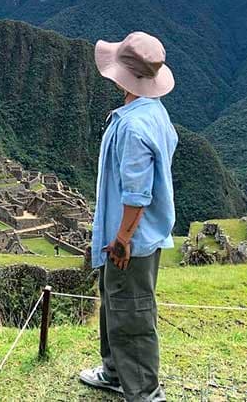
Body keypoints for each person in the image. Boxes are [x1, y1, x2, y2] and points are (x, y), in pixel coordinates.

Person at [79, 32, 178, 402]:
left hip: (131, 241)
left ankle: (144, 393)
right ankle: (114, 372)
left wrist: (122, 239)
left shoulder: (134, 127)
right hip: (129, 235)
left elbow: (137, 195)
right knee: (115, 302)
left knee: (133, 313)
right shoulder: (153, 112)